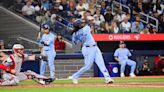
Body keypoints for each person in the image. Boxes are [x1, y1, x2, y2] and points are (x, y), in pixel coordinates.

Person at [69, 19, 114, 84]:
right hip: (87, 49)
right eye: (81, 23)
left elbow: (75, 42)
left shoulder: (77, 32)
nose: (82, 24)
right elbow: (75, 42)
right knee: (87, 66)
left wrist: (75, 35)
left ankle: (107, 78)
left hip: (95, 48)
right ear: (78, 26)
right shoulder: (83, 30)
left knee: (101, 64)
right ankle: (75, 76)